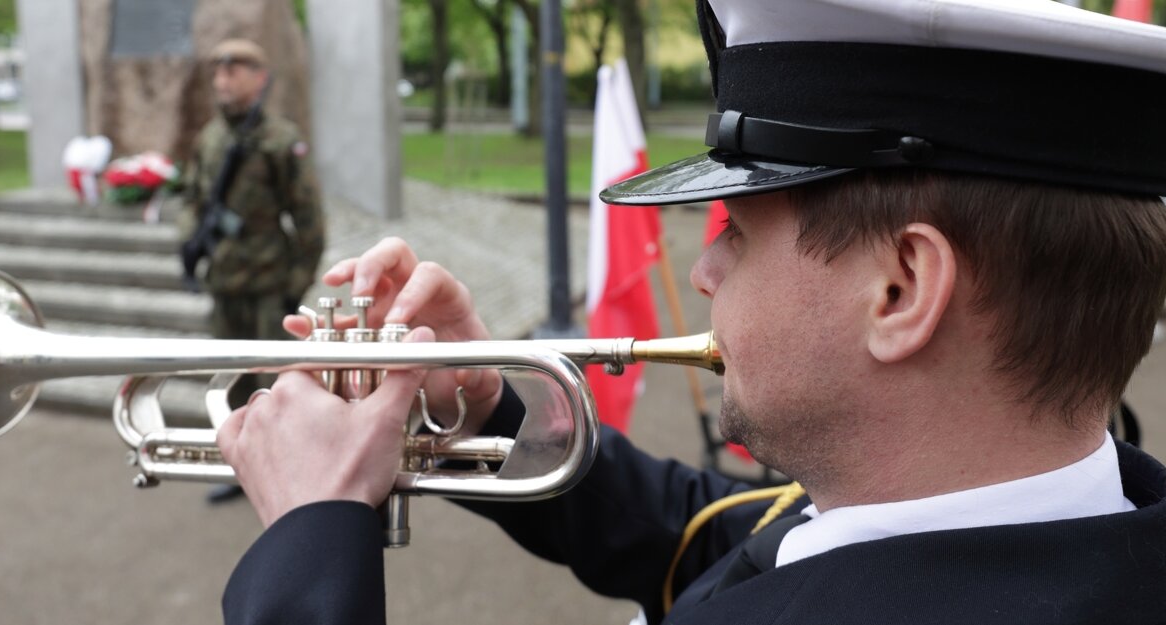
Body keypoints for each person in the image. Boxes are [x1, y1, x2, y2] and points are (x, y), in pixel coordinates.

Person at [215, 1, 1166, 623]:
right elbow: (719, 538)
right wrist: (493, 408)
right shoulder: (1075, 513)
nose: (704, 266)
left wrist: (314, 534)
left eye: (740, 231)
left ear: (901, 289)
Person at [181, 39, 326, 501]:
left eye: (236, 68)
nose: (224, 78)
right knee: (232, 381)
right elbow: (192, 199)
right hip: (225, 281)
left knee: (279, 386)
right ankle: (241, 470)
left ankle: (293, 475)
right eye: (218, 70)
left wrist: (295, 284)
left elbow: (309, 219)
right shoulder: (210, 139)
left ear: (260, 77)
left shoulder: (280, 139)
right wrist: (192, 240)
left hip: (269, 285)